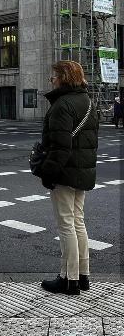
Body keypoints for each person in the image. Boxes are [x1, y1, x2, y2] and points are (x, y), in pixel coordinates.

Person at [38, 61, 98, 295]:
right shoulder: (88, 102)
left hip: (64, 172)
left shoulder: (62, 105)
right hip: (82, 171)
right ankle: (83, 276)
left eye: (53, 76)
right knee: (78, 221)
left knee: (66, 225)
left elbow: (60, 147)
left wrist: (47, 172)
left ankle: (68, 279)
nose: (51, 80)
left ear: (63, 77)